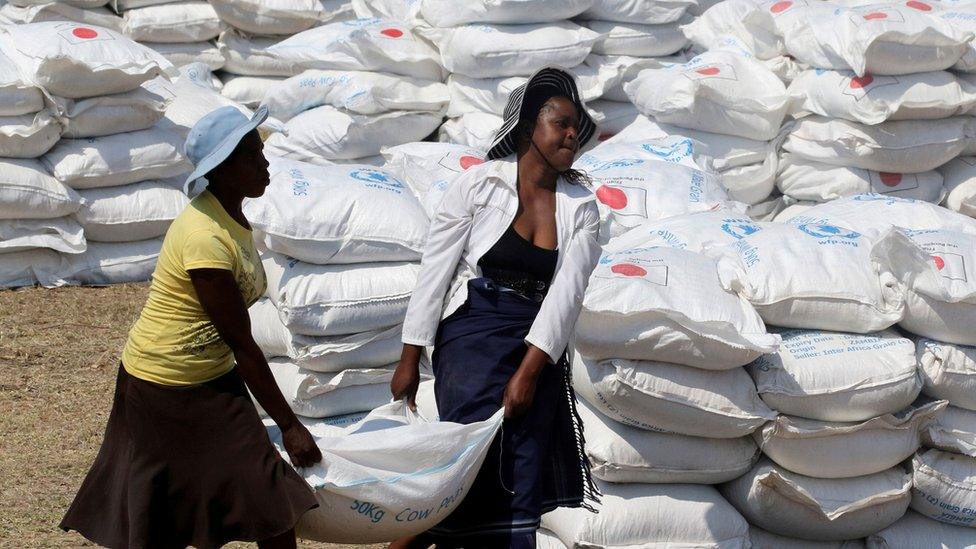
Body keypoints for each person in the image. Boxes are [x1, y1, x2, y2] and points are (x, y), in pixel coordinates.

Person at [60, 106, 322, 549]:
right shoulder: (204, 236)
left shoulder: (231, 216)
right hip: (162, 385)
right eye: (252, 157)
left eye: (261, 152)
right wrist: (290, 425)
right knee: (163, 512)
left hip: (212, 377)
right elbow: (244, 345)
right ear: (220, 170)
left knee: (266, 491)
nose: (265, 164)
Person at [389, 67, 603, 549]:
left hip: (538, 350)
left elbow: (565, 297)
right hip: (471, 342)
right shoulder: (478, 186)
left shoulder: (581, 207)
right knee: (462, 470)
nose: (572, 133)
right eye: (560, 123)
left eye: (577, 127)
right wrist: (407, 358)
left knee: (516, 480)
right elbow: (435, 272)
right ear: (530, 126)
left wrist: (529, 371)